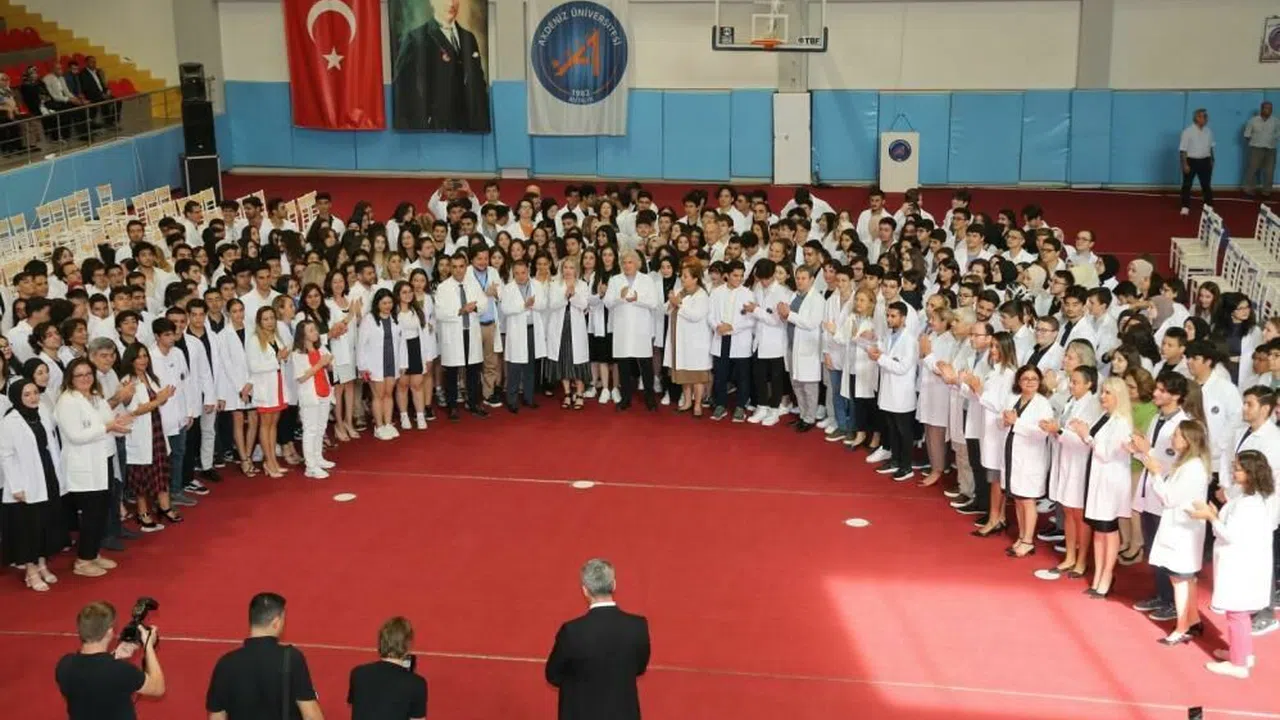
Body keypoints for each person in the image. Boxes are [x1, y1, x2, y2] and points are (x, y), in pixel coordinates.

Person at [1193, 450, 1275, 678]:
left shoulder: (1249, 503)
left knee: (1236, 613)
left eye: (1238, 469)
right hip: (1244, 561)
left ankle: (1239, 665)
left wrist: (1211, 517)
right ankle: (1243, 653)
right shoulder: (1251, 497)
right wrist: (1215, 515)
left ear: (1250, 473)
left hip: (1240, 564)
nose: (1233, 472)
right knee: (1239, 613)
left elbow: (1230, 534)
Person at [54, 357, 132, 578]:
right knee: (91, 514)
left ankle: (93, 553)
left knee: (102, 510)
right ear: (70, 378)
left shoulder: (96, 396)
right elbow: (75, 435)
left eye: (88, 374)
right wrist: (107, 427)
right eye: (79, 375)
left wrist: (119, 425)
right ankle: (83, 561)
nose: (85, 378)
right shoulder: (67, 401)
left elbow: (108, 421)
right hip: (84, 464)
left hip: (103, 459)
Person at [545, 559, 650, 720]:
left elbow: (553, 674)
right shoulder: (638, 626)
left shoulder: (572, 631)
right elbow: (639, 667)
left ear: (585, 590)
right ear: (613, 585)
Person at [206, 592, 323, 720]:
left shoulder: (225, 663)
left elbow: (217, 716)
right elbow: (311, 716)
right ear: (276, 622)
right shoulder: (291, 658)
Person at [1, 379, 68, 589]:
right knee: (30, 527)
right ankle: (31, 570)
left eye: (35, 393)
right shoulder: (10, 421)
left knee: (47, 524)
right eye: (27, 394)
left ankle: (42, 564)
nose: (33, 398)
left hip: (47, 474)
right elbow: (6, 456)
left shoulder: (43, 413)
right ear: (17, 397)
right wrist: (16, 486)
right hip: (26, 481)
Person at [391, 0, 491, 132]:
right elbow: (402, 89)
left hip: (469, 128)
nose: (451, 4)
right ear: (433, 2)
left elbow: (478, 84)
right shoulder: (416, 39)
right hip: (435, 129)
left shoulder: (468, 38)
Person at [55, 600, 165, 719]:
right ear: (109, 632)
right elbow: (158, 688)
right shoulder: (121, 671)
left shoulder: (64, 665)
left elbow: (93, 675)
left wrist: (115, 655)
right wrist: (148, 646)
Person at [1080, 377, 1136, 598]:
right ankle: (1098, 575)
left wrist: (1086, 436)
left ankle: (1107, 575)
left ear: (1118, 397)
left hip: (1111, 481)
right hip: (1098, 478)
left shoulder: (1121, 422)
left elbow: (1105, 453)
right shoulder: (1104, 417)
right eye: (1102, 392)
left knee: (1108, 529)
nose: (1102, 396)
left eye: (1108, 393)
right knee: (1098, 529)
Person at [347, 617, 428, 720]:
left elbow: (358, 705)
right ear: (407, 645)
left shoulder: (358, 673)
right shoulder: (417, 684)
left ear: (381, 642)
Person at [293, 320, 336, 479]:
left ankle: (318, 458)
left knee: (320, 428)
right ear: (303, 335)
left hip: (324, 392)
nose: (315, 332)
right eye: (311, 330)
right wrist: (320, 364)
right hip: (310, 396)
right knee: (310, 430)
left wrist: (329, 363)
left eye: (315, 329)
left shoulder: (320, 348)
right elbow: (301, 377)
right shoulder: (298, 354)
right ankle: (310, 466)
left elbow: (329, 365)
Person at [1179, 108, 1214, 215]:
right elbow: (1183, 150)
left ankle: (1208, 206)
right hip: (1191, 161)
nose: (1206, 118)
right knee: (1187, 185)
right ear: (1197, 118)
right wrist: (1185, 164)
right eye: (1204, 116)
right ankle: (1185, 206)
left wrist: (1212, 159)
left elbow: (1211, 147)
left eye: (1206, 116)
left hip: (1205, 161)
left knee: (1206, 185)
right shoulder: (1187, 132)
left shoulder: (1209, 131)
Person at [1243, 100, 1276, 198]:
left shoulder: (1276, 121)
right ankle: (1249, 190)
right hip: (1256, 149)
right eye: (1267, 108)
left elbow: (1278, 133)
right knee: (1252, 170)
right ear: (1261, 109)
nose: (1269, 110)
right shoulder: (1253, 121)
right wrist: (1256, 142)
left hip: (1270, 150)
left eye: (1270, 109)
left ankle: (1267, 191)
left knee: (1269, 171)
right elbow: (1247, 135)